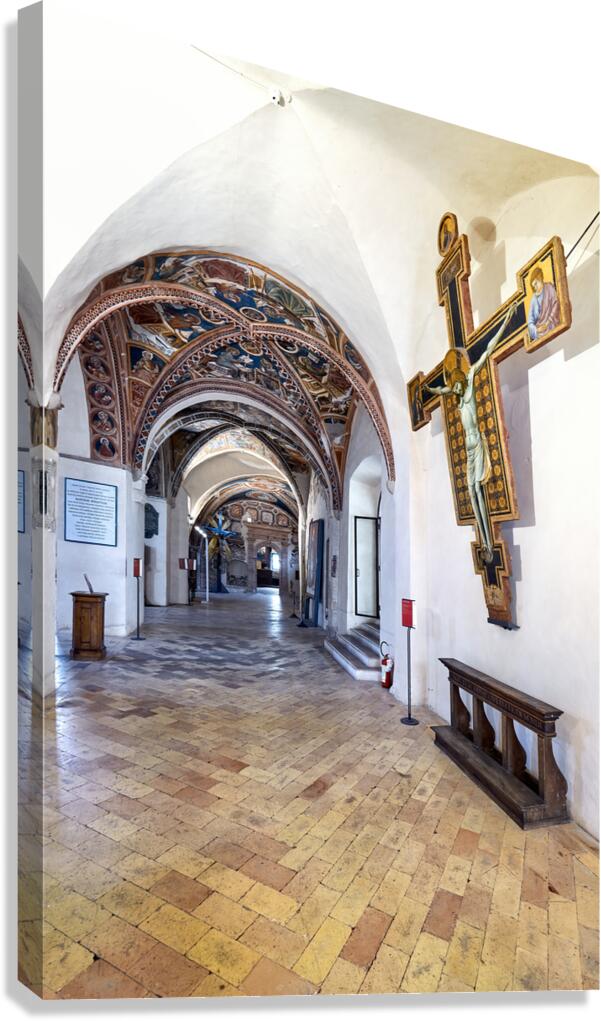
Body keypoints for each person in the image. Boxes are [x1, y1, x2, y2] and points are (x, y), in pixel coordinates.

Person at [425, 301, 519, 562]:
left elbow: (487, 350)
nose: (453, 393)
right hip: (467, 451)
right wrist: (428, 390)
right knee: (470, 490)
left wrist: (506, 322)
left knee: (478, 488)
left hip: (477, 445)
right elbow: (438, 391)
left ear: (460, 382)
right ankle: (483, 540)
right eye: (452, 390)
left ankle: (488, 539)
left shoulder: (468, 388)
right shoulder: (453, 393)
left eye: (455, 389)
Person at [527, 266, 559, 340]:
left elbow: (556, 304)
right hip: (540, 331)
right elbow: (530, 322)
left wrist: (547, 323)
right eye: (533, 286)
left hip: (551, 324)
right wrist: (537, 330)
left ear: (540, 278)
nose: (535, 287)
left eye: (536, 283)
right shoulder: (533, 300)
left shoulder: (549, 287)